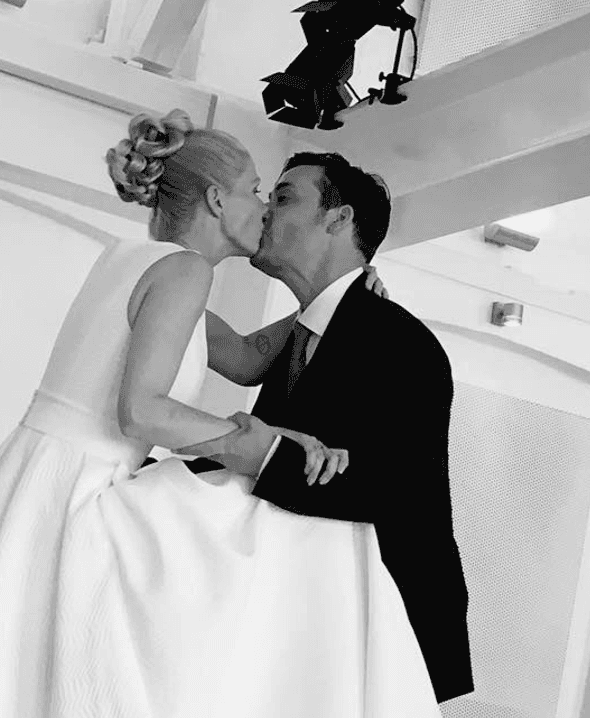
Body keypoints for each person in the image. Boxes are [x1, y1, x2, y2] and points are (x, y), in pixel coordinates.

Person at [0, 110, 441, 717]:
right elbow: (142, 411)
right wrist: (261, 439)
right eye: (258, 193)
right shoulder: (184, 271)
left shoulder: (131, 259)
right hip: (77, 486)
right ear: (216, 199)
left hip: (41, 473)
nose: (263, 208)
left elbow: (240, 358)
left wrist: (333, 303)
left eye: (276, 196)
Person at [200, 151, 475, 703]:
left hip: (374, 637)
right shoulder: (304, 333)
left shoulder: (403, 345)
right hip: (298, 621)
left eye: (282, 197)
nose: (265, 212)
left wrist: (261, 455)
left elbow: (397, 489)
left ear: (339, 219)